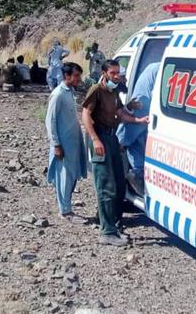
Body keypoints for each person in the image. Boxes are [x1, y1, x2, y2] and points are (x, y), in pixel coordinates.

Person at [82, 59, 148, 246]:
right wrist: (95, 139)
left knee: (119, 183)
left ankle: (115, 225)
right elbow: (86, 114)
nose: (116, 76)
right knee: (106, 186)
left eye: (118, 72)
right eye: (112, 73)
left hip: (112, 138)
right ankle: (107, 232)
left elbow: (120, 113)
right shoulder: (97, 91)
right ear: (104, 73)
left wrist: (138, 120)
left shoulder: (113, 91)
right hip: (100, 136)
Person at [45, 62, 87, 221]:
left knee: (71, 175)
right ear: (66, 76)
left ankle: (67, 207)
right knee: (64, 176)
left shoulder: (69, 92)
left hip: (72, 143)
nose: (79, 79)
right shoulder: (58, 94)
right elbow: (51, 121)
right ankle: (65, 211)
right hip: (63, 144)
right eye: (76, 76)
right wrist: (56, 144)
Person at [118, 61, 159, 195]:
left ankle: (137, 173)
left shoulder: (153, 67)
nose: (125, 79)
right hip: (142, 107)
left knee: (136, 140)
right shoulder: (159, 68)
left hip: (140, 110)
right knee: (135, 138)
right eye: (123, 77)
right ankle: (137, 173)